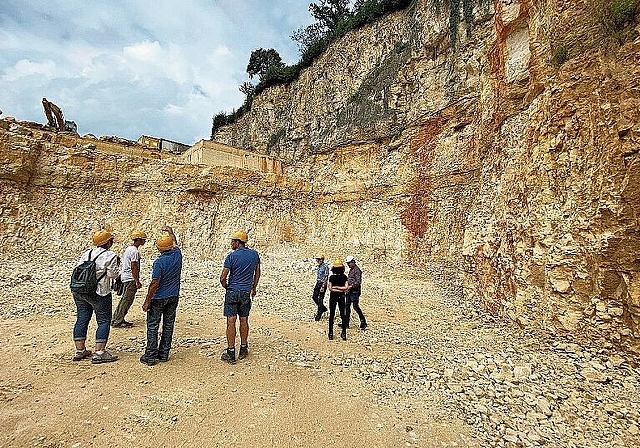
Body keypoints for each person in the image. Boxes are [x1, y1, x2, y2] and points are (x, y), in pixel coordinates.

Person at [71, 230, 121, 364]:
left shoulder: (87, 253)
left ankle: (80, 350)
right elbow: (113, 274)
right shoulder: (110, 255)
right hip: (99, 292)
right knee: (104, 320)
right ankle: (99, 352)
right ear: (108, 242)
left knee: (82, 318)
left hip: (80, 291)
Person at [140, 226, 182, 366]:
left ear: (159, 248)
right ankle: (164, 354)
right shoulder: (177, 254)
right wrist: (170, 232)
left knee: (153, 326)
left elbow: (154, 283)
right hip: (173, 295)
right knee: (168, 325)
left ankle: (150, 355)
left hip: (159, 297)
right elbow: (175, 242)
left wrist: (147, 300)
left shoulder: (159, 262)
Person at [219, 230, 261, 364]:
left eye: (233, 241)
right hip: (245, 292)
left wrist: (226, 286)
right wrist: (253, 288)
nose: (231, 243)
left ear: (237, 243)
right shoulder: (254, 255)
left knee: (231, 321)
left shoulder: (231, 256)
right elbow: (257, 273)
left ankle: (231, 352)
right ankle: (243, 348)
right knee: (244, 320)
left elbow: (223, 277)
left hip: (233, 291)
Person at [112, 230, 146, 328]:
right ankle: (118, 320)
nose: (144, 241)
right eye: (143, 239)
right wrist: (137, 281)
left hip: (125, 277)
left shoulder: (129, 249)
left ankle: (117, 318)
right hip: (130, 278)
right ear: (139, 240)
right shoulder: (135, 251)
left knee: (124, 299)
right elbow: (134, 266)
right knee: (126, 300)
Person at [327, 258, 349, 341]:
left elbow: (331, 288)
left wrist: (335, 287)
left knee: (332, 315)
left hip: (333, 297)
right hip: (342, 297)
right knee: (343, 314)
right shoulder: (344, 277)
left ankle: (330, 333)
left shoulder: (332, 277)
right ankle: (343, 333)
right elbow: (346, 288)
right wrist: (341, 289)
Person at [345, 255, 367, 330]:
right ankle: (346, 323)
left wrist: (350, 286)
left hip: (355, 291)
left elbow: (358, 282)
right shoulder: (351, 269)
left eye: (349, 263)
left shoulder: (357, 270)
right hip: (350, 291)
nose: (348, 265)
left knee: (355, 306)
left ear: (353, 262)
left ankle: (363, 321)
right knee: (347, 306)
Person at [312, 253, 329, 321]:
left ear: (322, 259)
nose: (318, 260)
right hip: (318, 282)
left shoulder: (325, 267)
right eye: (317, 259)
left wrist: (323, 286)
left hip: (322, 284)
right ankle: (322, 308)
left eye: (319, 259)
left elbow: (326, 277)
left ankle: (319, 314)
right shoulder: (319, 266)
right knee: (314, 297)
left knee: (320, 299)